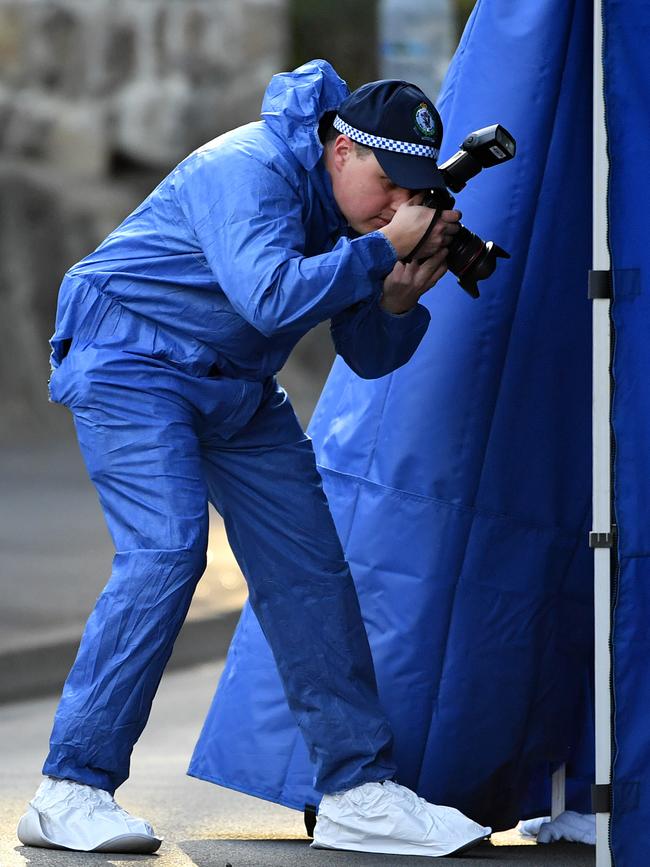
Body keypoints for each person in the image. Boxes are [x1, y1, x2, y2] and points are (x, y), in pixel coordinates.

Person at [17, 59, 491, 857]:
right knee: (168, 552)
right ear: (341, 149)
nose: (401, 204)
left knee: (311, 569)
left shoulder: (360, 218)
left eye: (415, 189)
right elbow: (271, 296)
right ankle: (70, 788)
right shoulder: (244, 167)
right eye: (390, 182)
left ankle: (356, 790)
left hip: (234, 383)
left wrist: (400, 297)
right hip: (130, 357)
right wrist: (381, 256)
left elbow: (368, 353)